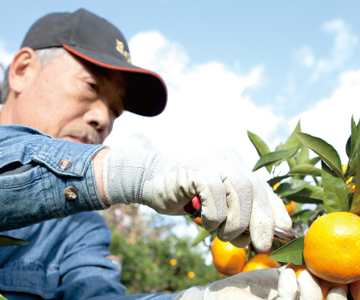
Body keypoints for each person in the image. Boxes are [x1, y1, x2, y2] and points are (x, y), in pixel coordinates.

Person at [0, 8, 344, 300]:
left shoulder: (80, 228)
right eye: (91, 87)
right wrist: (132, 172)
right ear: (22, 70)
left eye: (116, 111)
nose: (103, 118)